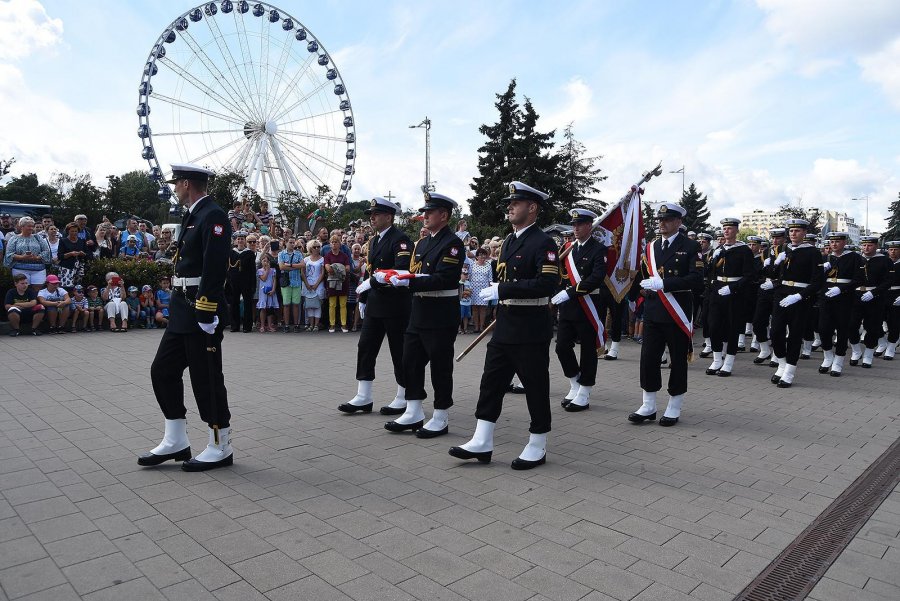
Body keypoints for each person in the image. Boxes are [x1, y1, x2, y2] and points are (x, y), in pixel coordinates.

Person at [450, 182, 559, 469]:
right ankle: (482, 440)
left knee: (535, 386)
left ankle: (538, 444)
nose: (510, 207)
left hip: (531, 325)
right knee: (491, 383)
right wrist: (502, 293)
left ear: (532, 208)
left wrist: (505, 290)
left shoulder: (543, 242)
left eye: (517, 203)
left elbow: (548, 283)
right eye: (510, 203)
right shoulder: (510, 242)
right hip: (506, 323)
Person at [143, 163, 233, 471]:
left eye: (176, 184)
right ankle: (176, 439)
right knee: (162, 371)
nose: (174, 189)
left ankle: (220, 445)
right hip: (183, 307)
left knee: (206, 379)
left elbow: (216, 265)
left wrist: (207, 309)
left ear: (186, 184)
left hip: (200, 308)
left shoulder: (213, 216)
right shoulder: (194, 214)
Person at [384, 192, 464, 438]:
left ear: (444, 215)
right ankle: (414, 409)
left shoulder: (452, 243)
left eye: (430, 212)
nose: (425, 216)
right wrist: (394, 277)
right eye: (425, 211)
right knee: (410, 362)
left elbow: (445, 278)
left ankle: (440, 416)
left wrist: (408, 283)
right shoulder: (423, 243)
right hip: (419, 311)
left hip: (440, 313)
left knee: (440, 367)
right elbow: (414, 272)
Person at [627, 203, 703, 426]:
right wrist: (629, 294)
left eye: (667, 219)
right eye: (660, 220)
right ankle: (648, 405)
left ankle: (674, 405)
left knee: (678, 360)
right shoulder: (651, 247)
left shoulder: (690, 246)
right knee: (648, 359)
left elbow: (697, 280)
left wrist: (665, 283)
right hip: (653, 311)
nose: (662, 223)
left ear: (678, 222)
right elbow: (642, 273)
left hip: (676, 311)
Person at [339, 197, 413, 415]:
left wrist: (374, 282)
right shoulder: (373, 241)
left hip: (395, 304)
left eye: (376, 214)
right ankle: (363, 395)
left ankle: (403, 395)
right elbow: (370, 272)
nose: (371, 218)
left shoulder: (401, 240)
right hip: (375, 303)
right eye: (371, 215)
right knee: (366, 347)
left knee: (398, 351)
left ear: (389, 217)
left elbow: (400, 270)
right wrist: (363, 298)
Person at [553, 208, 608, 412]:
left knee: (587, 350)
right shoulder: (567, 248)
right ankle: (574, 382)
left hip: (589, 305)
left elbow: (597, 277)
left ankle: (584, 390)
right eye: (573, 224)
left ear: (589, 226)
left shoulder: (598, 249)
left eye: (579, 224)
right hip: (568, 306)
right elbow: (559, 275)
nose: (575, 228)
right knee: (561, 347)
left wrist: (571, 292)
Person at [769, 219, 825, 387]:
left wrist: (800, 296)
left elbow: (818, 282)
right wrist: (775, 263)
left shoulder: (813, 252)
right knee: (775, 332)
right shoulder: (782, 249)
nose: (794, 234)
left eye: (798, 231)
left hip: (800, 297)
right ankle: (782, 363)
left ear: (804, 233)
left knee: (794, 335)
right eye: (791, 231)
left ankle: (790, 371)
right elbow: (772, 274)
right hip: (781, 294)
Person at [704, 218, 755, 377]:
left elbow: (749, 276)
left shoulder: (744, 250)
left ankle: (729, 362)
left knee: (733, 328)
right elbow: (710, 272)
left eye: (730, 228)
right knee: (713, 325)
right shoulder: (718, 249)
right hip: (717, 291)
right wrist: (713, 260)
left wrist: (732, 288)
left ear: (737, 231)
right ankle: (717, 359)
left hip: (734, 293)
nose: (726, 231)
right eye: (724, 228)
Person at [815, 232, 864, 376]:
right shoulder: (825, 258)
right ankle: (828, 356)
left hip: (845, 298)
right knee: (823, 328)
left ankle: (839, 360)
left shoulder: (854, 257)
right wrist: (821, 271)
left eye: (837, 241)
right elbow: (816, 279)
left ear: (844, 242)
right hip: (826, 296)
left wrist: (841, 289)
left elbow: (859, 279)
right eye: (831, 241)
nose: (834, 244)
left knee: (842, 329)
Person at [848, 235, 893, 368]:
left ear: (876, 246)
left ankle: (868, 354)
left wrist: (874, 293)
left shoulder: (885, 260)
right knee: (851, 325)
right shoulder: (856, 259)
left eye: (870, 245)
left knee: (872, 327)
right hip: (856, 296)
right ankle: (856, 351)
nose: (866, 248)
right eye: (864, 245)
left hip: (875, 297)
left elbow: (888, 281)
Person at [751, 227, 787, 365]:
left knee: (778, 325)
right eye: (773, 238)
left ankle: (777, 355)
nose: (775, 241)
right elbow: (760, 273)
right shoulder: (766, 252)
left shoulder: (788, 252)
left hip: (781, 289)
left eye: (778, 238)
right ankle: (765, 349)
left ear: (785, 238)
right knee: (758, 322)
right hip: (766, 289)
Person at [3, 216, 52, 294]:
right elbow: (9, 254)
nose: (31, 228)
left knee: (37, 292)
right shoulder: (14, 238)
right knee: (23, 290)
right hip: (19, 269)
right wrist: (22, 257)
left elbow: (46, 251)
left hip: (38, 269)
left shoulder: (38, 237)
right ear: (22, 226)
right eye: (29, 226)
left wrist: (37, 257)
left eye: (32, 226)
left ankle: (35, 305)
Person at [227, 231, 256, 332]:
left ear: (245, 241)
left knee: (247, 303)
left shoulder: (250, 253)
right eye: (238, 239)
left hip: (246, 281)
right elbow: (228, 268)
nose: (240, 241)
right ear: (235, 240)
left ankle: (247, 327)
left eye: (242, 239)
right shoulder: (231, 252)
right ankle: (234, 326)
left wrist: (253, 284)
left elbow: (253, 270)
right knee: (234, 303)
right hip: (234, 281)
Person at [324, 233, 351, 332]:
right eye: (332, 242)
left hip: (343, 282)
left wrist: (336, 267)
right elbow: (327, 268)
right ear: (330, 244)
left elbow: (348, 268)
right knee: (332, 304)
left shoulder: (344, 256)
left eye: (336, 242)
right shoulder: (327, 255)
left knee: (343, 304)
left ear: (340, 244)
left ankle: (343, 324)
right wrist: (339, 268)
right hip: (331, 282)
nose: (334, 244)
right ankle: (332, 324)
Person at [278, 236, 305, 332]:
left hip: (296, 282)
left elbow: (302, 264)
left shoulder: (298, 254)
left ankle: (296, 325)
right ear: (285, 243)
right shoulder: (281, 254)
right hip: (286, 283)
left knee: (296, 304)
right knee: (286, 304)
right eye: (290, 242)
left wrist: (289, 265)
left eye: (294, 243)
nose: (292, 244)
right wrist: (295, 267)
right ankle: (286, 325)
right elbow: (281, 267)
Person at [468, 247, 494, 333]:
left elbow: (490, 278)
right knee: (475, 308)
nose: (482, 258)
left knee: (483, 308)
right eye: (480, 256)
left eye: (484, 256)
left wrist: (490, 290)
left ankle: (481, 327)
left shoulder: (488, 265)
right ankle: (476, 327)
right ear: (477, 257)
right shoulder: (472, 264)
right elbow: (469, 276)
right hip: (474, 288)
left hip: (484, 288)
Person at [301, 238, 325, 331]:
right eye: (314, 247)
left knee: (317, 305)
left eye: (318, 247)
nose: (317, 248)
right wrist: (307, 284)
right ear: (310, 248)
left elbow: (322, 273)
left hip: (318, 284)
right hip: (307, 284)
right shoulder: (306, 259)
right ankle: (310, 325)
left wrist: (316, 284)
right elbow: (302, 272)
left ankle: (316, 325)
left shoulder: (322, 259)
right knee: (309, 305)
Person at [883, 240, 900, 360]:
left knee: (894, 323)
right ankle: (882, 342)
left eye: (896, 249)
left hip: (896, 294)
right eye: (891, 249)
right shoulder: (883, 262)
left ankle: (891, 347)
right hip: (882, 294)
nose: (893, 252)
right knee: (876, 320)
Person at [58, 222, 88, 288]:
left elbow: (87, 254)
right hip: (67, 267)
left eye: (76, 231)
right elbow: (60, 256)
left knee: (78, 287)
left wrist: (83, 254)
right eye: (72, 231)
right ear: (68, 231)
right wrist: (71, 254)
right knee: (67, 286)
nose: (74, 233)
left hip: (79, 266)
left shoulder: (82, 241)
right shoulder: (63, 241)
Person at [256, 254, 279, 332]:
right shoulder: (260, 271)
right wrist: (267, 270)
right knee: (263, 308)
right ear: (261, 262)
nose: (266, 262)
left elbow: (274, 280)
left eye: (267, 261)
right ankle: (262, 325)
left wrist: (273, 290)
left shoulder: (273, 270)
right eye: (264, 261)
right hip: (263, 291)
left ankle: (269, 325)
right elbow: (264, 278)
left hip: (271, 291)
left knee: (270, 308)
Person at [459, 266, 473, 334]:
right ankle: (459, 329)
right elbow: (460, 293)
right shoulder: (459, 283)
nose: (465, 276)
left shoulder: (468, 283)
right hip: (461, 303)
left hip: (468, 302)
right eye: (464, 274)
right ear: (460, 275)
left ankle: (465, 328)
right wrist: (466, 292)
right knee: (460, 316)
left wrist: (466, 291)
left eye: (466, 274)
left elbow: (470, 292)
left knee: (466, 316)